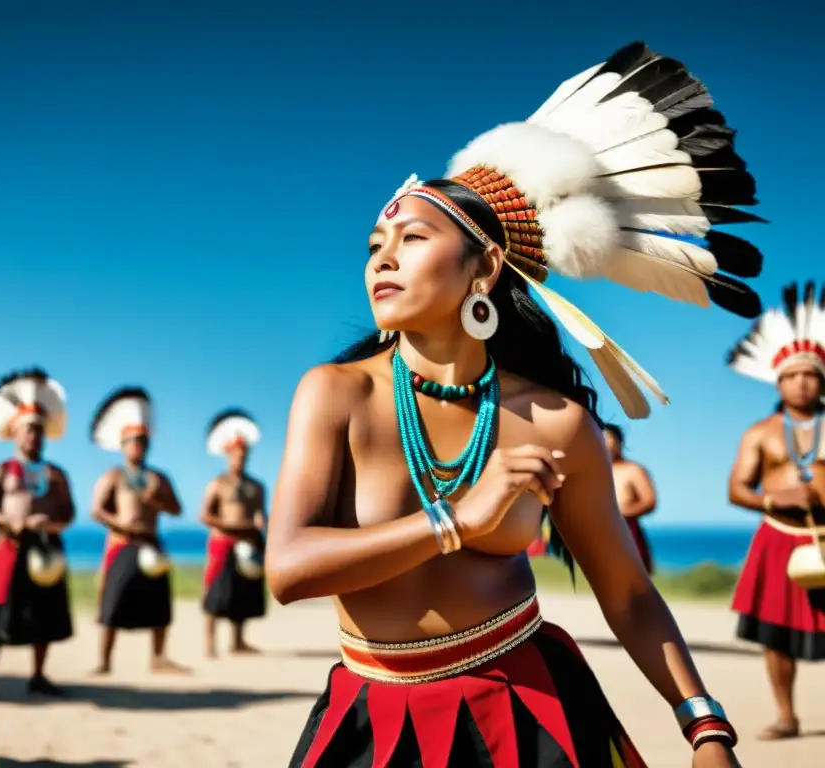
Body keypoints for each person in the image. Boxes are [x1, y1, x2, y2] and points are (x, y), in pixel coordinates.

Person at [268, 42, 762, 768]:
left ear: (485, 268)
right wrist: (458, 520)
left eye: (413, 238)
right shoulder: (336, 393)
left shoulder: (559, 423)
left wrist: (705, 725)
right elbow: (288, 569)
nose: (383, 257)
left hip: (527, 709)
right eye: (377, 244)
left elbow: (626, 594)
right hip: (374, 715)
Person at [727, 281, 825, 741]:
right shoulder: (760, 432)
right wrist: (776, 499)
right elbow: (736, 489)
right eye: (792, 375)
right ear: (778, 380)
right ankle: (786, 715)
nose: (801, 382)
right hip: (777, 539)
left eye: (810, 374)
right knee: (776, 633)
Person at [0, 369, 75, 700]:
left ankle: (39, 675)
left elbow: (69, 513)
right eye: (29, 430)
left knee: (46, 613)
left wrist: (49, 525)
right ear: (15, 433)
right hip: (8, 546)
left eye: (40, 431)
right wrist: (10, 521)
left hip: (45, 548)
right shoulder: (0, 471)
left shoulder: (56, 475)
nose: (34, 437)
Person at [88, 386, 189, 675]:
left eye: (143, 441)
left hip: (152, 545)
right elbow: (96, 510)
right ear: (123, 444)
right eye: (133, 441)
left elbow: (176, 509)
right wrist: (121, 525)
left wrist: (157, 500)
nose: (138, 446)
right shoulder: (114, 476)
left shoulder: (158, 478)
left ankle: (159, 658)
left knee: (159, 605)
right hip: (123, 544)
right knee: (113, 603)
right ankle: (105, 661)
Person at [200, 410, 267, 657]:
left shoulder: (256, 486)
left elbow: (261, 513)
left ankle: (238, 641)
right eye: (235, 454)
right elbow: (205, 514)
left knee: (243, 594)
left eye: (243, 454)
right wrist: (226, 525)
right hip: (223, 542)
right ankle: (210, 643)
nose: (239, 458)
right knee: (215, 595)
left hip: (247, 544)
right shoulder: (217, 484)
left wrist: (261, 527)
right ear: (228, 455)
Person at [604, 425, 658, 574]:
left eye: (609, 439)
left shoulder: (633, 469)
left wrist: (620, 513)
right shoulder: (595, 471)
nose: (605, 443)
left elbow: (649, 501)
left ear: (619, 442)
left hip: (627, 531)